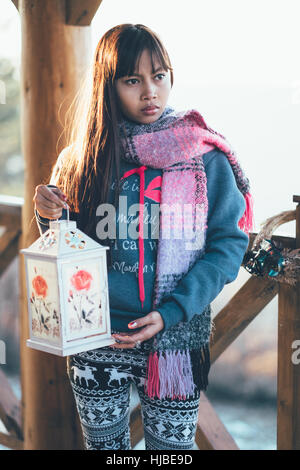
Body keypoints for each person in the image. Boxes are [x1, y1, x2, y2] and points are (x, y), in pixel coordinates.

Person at [33, 23, 254, 451]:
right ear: (108, 86)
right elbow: (66, 248)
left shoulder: (202, 156)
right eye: (132, 80)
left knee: (173, 454)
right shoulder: (80, 160)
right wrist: (49, 217)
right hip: (95, 337)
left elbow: (227, 245)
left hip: (174, 339)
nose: (150, 91)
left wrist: (172, 311)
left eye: (159, 75)